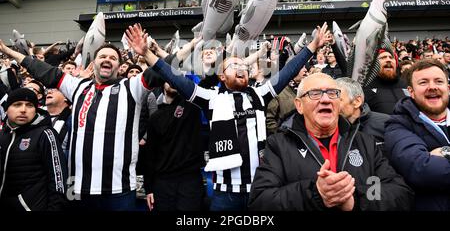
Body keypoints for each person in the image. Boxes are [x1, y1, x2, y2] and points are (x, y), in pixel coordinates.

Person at [125, 22, 332, 211]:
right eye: (234, 66)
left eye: (243, 66)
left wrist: (312, 46)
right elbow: (175, 78)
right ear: (222, 77)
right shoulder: (210, 98)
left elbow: (287, 72)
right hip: (224, 194)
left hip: (260, 188)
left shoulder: (259, 94)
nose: (241, 68)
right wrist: (148, 54)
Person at [0, 41, 163, 211]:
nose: (107, 59)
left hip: (118, 188)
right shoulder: (78, 86)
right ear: (94, 63)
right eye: (103, 56)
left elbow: (166, 70)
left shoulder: (132, 86)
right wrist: (7, 50)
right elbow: (41, 69)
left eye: (113, 58)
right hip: (75, 187)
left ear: (119, 65)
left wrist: (148, 53)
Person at [248, 73, 414, 211]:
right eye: (315, 93)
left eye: (333, 93)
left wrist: (354, 200)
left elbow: (398, 193)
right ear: (299, 105)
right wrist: (316, 193)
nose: (326, 99)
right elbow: (261, 202)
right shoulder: (279, 146)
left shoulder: (365, 143)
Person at [385, 60, 450, 210]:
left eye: (438, 81)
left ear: (448, 88)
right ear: (411, 92)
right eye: (423, 82)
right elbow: (422, 169)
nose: (432, 87)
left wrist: (444, 152)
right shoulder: (397, 124)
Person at [0, 88, 67, 211]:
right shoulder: (3, 135)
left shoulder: (45, 134)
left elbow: (58, 179)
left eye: (29, 105)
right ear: (7, 109)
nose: (23, 110)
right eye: (17, 105)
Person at [144, 83, 204, 211]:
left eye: (175, 77)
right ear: (161, 84)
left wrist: (208, 65)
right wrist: (148, 188)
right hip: (163, 183)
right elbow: (150, 155)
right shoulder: (155, 117)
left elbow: (207, 83)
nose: (172, 82)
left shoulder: (193, 106)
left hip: (190, 181)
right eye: (168, 78)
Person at [336, 77, 390, 146]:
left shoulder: (387, 124)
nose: (331, 105)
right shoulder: (329, 129)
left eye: (338, 100)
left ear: (357, 101)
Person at [266, 66, 308, 135]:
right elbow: (269, 119)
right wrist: (281, 136)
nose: (305, 70)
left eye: (305, 67)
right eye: (301, 67)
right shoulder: (278, 91)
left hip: (306, 138)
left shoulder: (308, 91)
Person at [364, 49, 407, 115]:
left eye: (391, 57)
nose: (388, 60)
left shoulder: (406, 85)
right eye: (383, 58)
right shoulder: (366, 87)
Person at [45, 88, 72, 156]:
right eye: (48, 90)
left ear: (66, 97)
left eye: (55, 90)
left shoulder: (73, 120)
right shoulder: (36, 117)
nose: (49, 91)